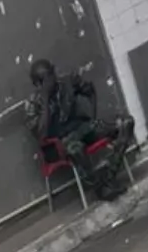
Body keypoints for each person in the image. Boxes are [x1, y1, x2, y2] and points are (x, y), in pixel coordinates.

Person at [27, 58, 136, 200]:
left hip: (82, 129)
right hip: (58, 144)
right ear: (38, 84)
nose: (53, 79)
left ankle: (109, 178)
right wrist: (46, 99)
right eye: (48, 78)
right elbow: (41, 135)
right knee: (75, 148)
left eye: (52, 73)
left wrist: (93, 116)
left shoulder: (67, 82)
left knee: (125, 123)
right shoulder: (33, 103)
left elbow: (90, 90)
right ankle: (100, 189)